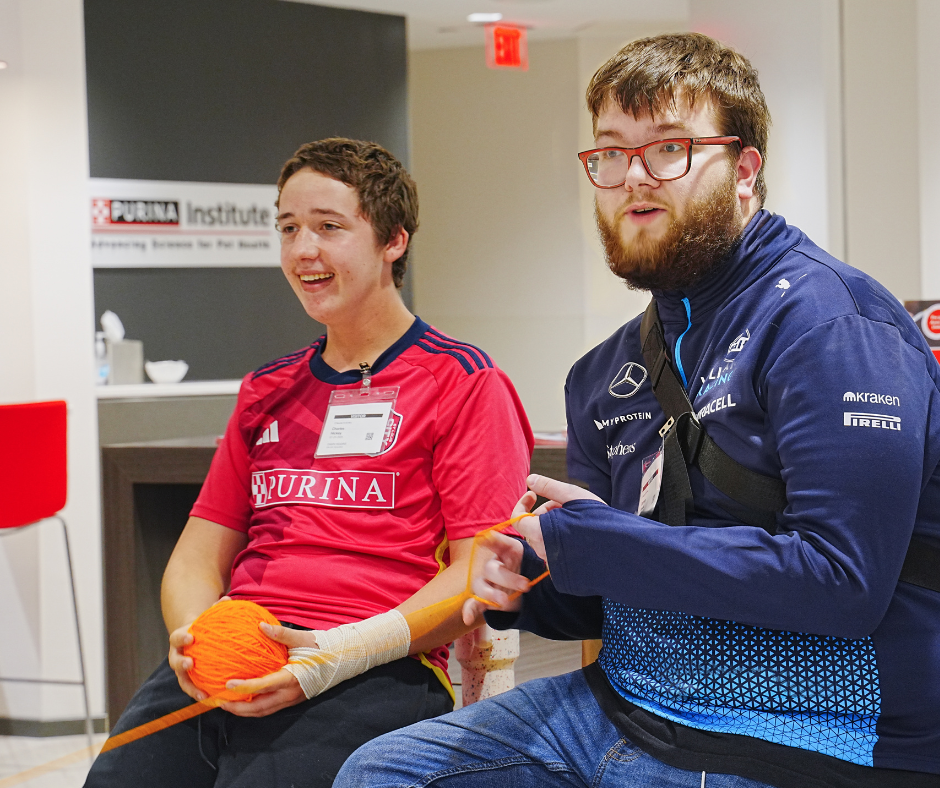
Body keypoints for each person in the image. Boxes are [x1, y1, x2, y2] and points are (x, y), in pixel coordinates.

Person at [333, 33, 940, 788]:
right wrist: (527, 584)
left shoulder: (833, 328)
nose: (633, 179)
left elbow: (843, 582)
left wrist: (600, 544)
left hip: (807, 735)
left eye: (670, 151)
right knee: (383, 771)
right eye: (612, 154)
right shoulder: (604, 372)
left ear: (745, 169)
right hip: (623, 706)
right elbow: (611, 595)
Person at [85, 138, 534, 788]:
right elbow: (194, 559)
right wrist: (196, 640)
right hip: (245, 647)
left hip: (380, 663)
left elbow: (475, 574)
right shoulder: (267, 388)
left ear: (392, 242)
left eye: (329, 227)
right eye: (289, 228)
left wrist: (338, 653)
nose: (303, 251)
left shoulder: (465, 382)